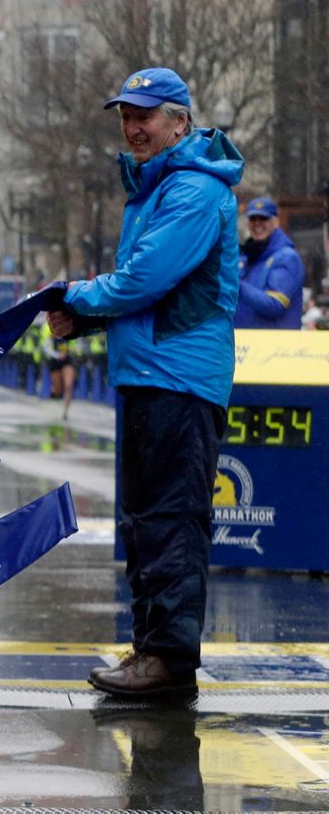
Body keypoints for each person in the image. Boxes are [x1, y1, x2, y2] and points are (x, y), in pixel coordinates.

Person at [45, 67, 243, 697]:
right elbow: (146, 296)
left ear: (180, 121)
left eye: (146, 115)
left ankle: (169, 660)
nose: (132, 127)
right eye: (126, 115)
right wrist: (80, 322)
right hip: (151, 375)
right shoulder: (157, 188)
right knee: (142, 523)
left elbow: (142, 281)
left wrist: (72, 296)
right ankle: (152, 654)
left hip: (179, 381)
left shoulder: (192, 190)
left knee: (170, 521)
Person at [234, 196, 304, 329]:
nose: (257, 223)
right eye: (253, 219)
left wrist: (235, 285)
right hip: (245, 345)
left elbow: (275, 305)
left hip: (276, 347)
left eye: (263, 218)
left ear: (276, 222)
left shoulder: (287, 257)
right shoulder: (246, 256)